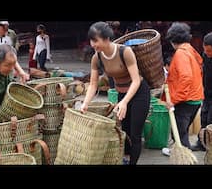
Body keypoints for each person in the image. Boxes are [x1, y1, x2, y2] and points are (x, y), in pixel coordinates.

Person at [80, 22, 150, 165]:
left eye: (95, 40)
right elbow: (93, 84)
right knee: (124, 132)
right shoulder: (97, 58)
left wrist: (124, 102)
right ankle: (124, 159)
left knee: (135, 134)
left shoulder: (125, 52)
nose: (93, 44)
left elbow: (136, 80)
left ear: (106, 39)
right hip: (122, 94)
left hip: (139, 93)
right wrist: (85, 103)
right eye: (91, 40)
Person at [164, 22, 204, 149]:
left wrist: (173, 100)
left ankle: (186, 159)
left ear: (173, 39)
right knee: (182, 132)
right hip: (195, 98)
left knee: (180, 136)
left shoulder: (181, 53)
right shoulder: (190, 49)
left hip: (186, 100)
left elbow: (186, 78)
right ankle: (180, 154)